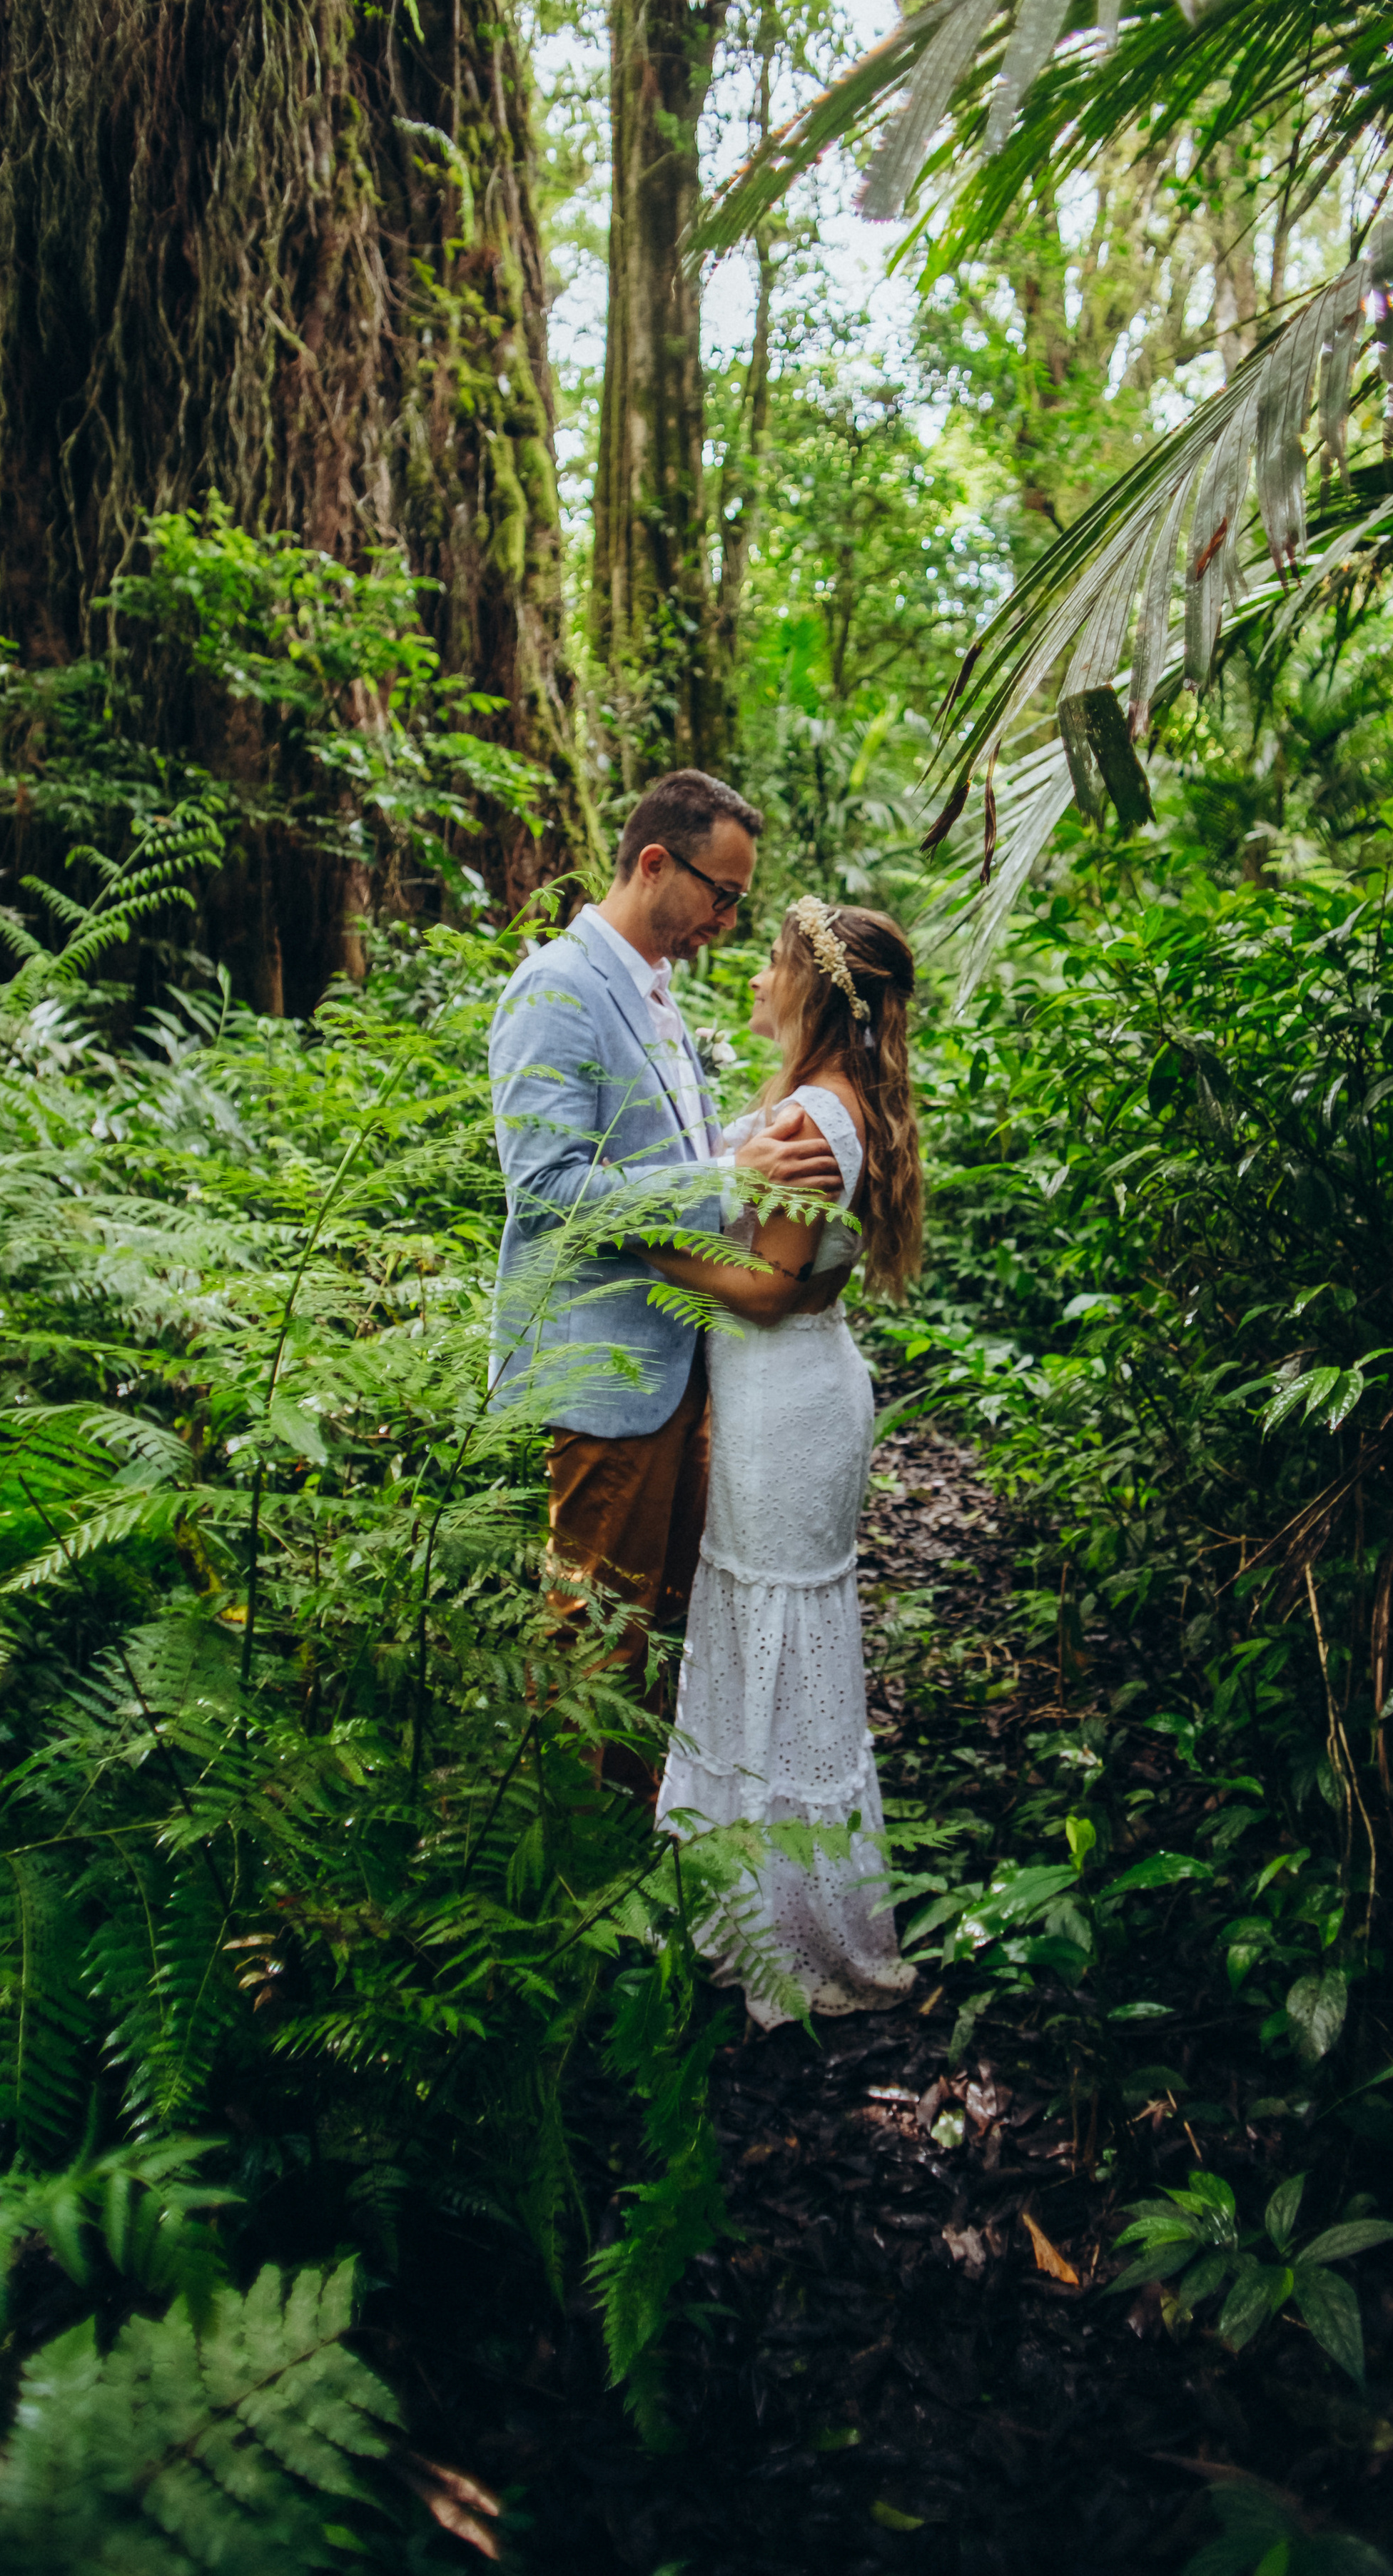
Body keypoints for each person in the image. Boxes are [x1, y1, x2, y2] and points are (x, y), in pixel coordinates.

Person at [488, 770, 841, 1801]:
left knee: (652, 1633)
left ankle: (638, 1851)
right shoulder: (557, 988)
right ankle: (569, 1881)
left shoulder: (653, 990)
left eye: (737, 902)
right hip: (603, 1373)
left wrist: (751, 1143)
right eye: (721, 895)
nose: (728, 922)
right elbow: (549, 1188)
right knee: (589, 1644)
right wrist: (729, 1176)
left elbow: (662, 1153)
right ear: (655, 863)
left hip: (679, 1360)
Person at [639, 897, 923, 2027]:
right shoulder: (841, 1100)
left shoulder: (814, 1111)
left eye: (768, 963)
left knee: (775, 1634)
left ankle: (790, 1939)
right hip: (797, 1390)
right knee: (770, 1637)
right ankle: (763, 1910)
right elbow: (794, 1275)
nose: (754, 979)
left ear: (813, 989)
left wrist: (649, 1245)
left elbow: (765, 1289)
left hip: (782, 1400)